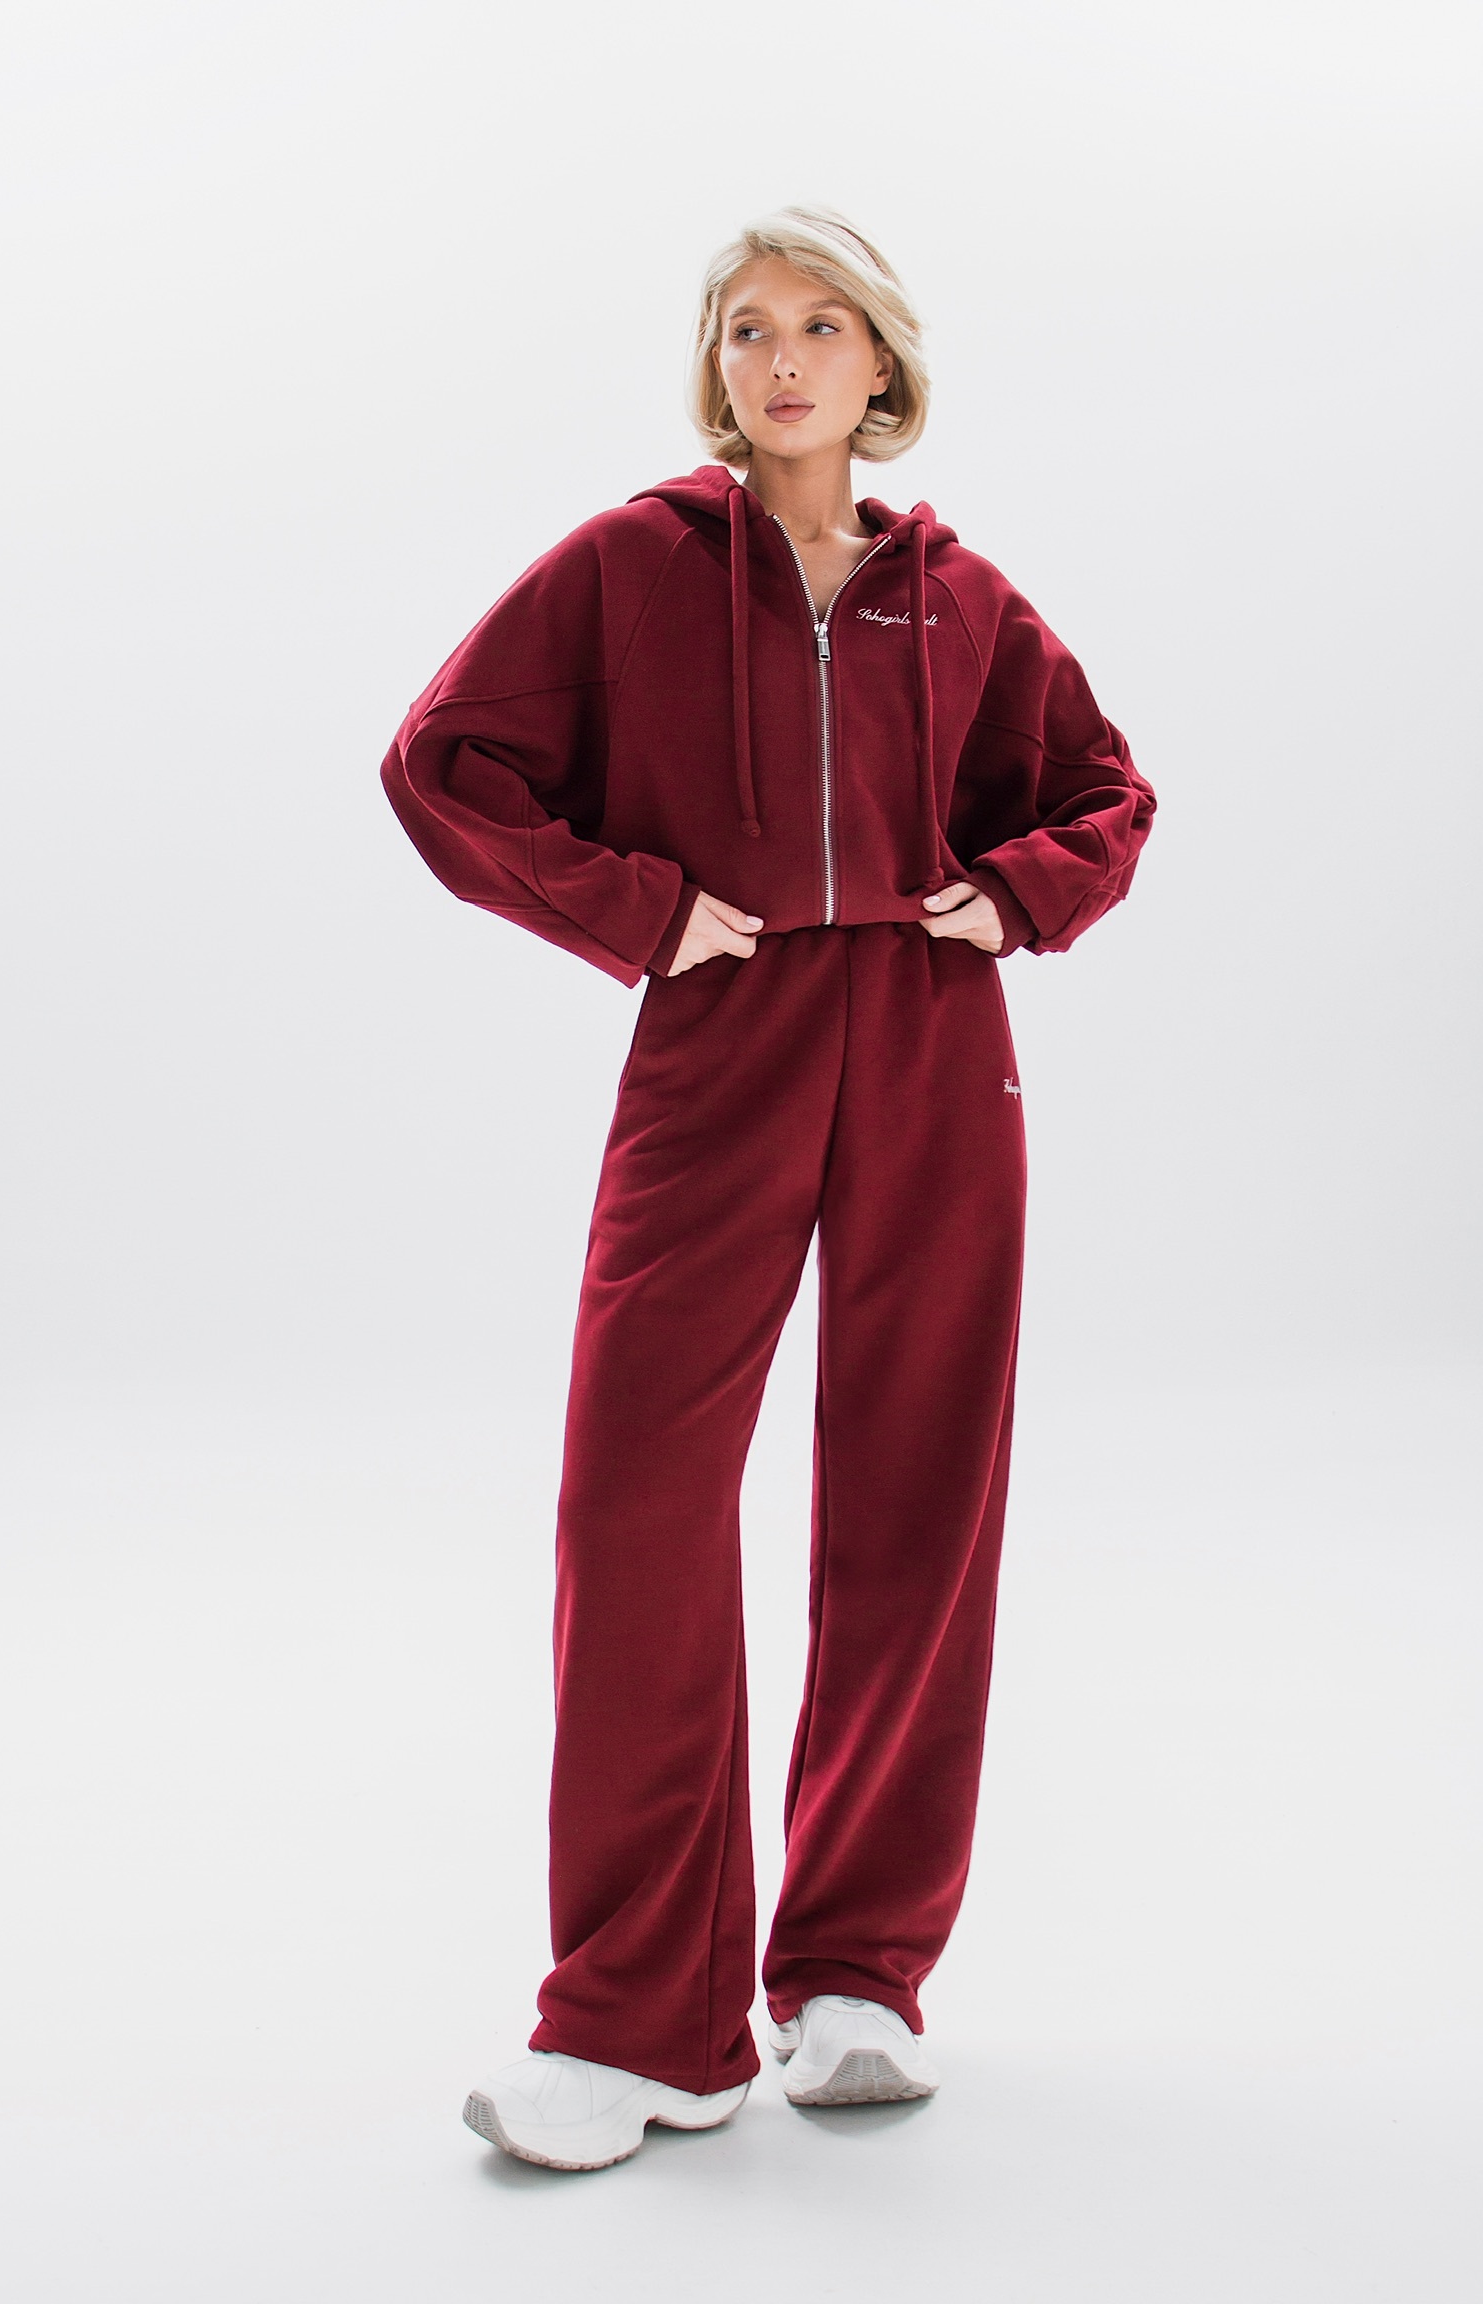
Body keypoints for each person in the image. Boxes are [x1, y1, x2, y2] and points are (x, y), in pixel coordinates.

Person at [380, 205, 1156, 2172]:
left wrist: (1017, 895)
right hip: (716, 1039)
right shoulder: (635, 566)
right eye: (747, 328)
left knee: (916, 1496)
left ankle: (855, 1978)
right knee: (637, 1498)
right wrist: (639, 911)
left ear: (881, 364)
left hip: (929, 1042)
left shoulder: (957, 597)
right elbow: (441, 762)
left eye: (821, 326)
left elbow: (1106, 790)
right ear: (715, 364)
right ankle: (640, 2024)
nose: (784, 359)